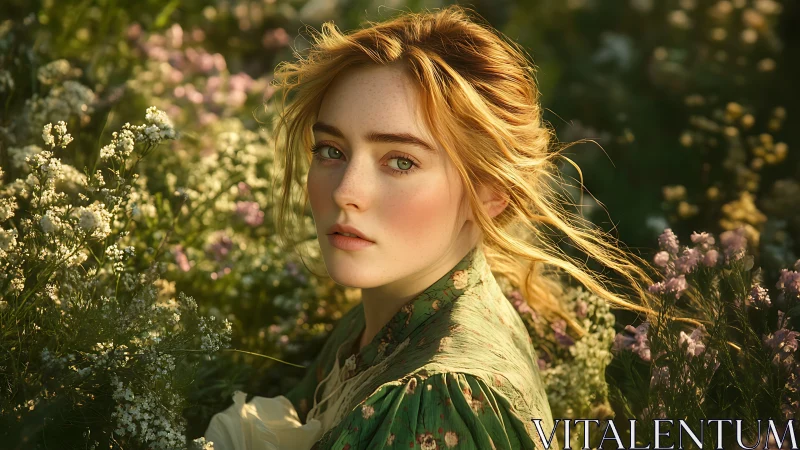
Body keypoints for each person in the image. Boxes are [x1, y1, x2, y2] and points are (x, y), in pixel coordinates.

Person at [266, 5, 662, 449]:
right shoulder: (378, 321)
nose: (345, 191)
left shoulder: (438, 397)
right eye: (331, 151)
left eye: (400, 161)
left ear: (491, 192)